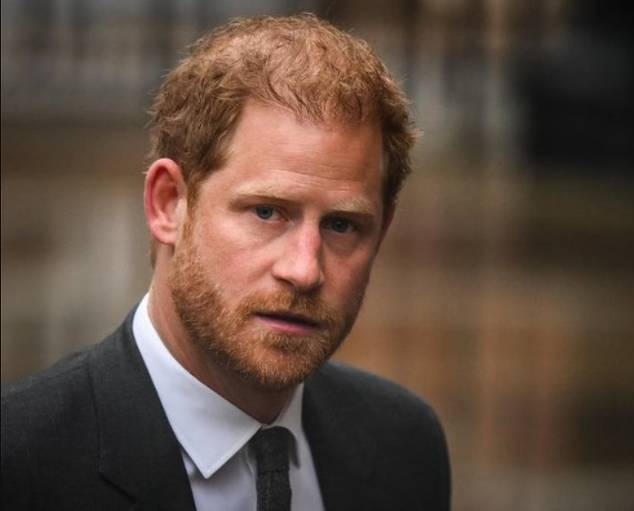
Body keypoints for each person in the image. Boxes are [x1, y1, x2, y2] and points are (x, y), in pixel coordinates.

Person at [1, 14, 450, 511]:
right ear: (168, 203)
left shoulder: (404, 446)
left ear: (382, 231)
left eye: (342, 225)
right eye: (267, 212)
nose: (304, 270)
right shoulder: (22, 461)